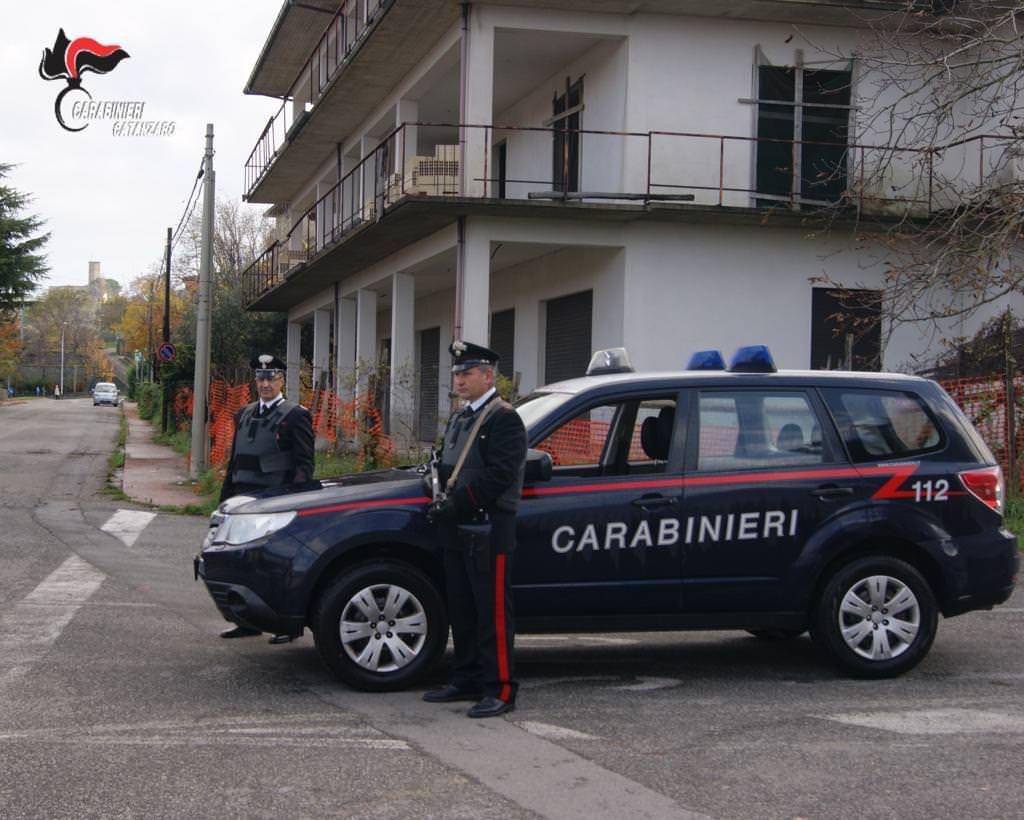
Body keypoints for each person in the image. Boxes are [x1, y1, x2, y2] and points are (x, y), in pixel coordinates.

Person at [423, 340, 527, 718]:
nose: (459, 379)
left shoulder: (503, 418)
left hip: (487, 528)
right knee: (462, 610)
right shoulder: (460, 416)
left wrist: (458, 502)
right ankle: (465, 677)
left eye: (466, 373)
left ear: (488, 375)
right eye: (457, 373)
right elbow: (450, 466)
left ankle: (500, 688)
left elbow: (501, 476)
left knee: (492, 613)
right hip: (457, 528)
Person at [218, 353, 315, 642]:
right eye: (260, 378)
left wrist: (295, 500)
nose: (265, 383)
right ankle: (246, 620)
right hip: (243, 500)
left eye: (271, 378)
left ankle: (288, 627)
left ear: (282, 380)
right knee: (241, 563)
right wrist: (224, 500)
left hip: (275, 502)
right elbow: (235, 461)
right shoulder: (244, 413)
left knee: (277, 567)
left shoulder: (295, 415)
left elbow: (304, 464)